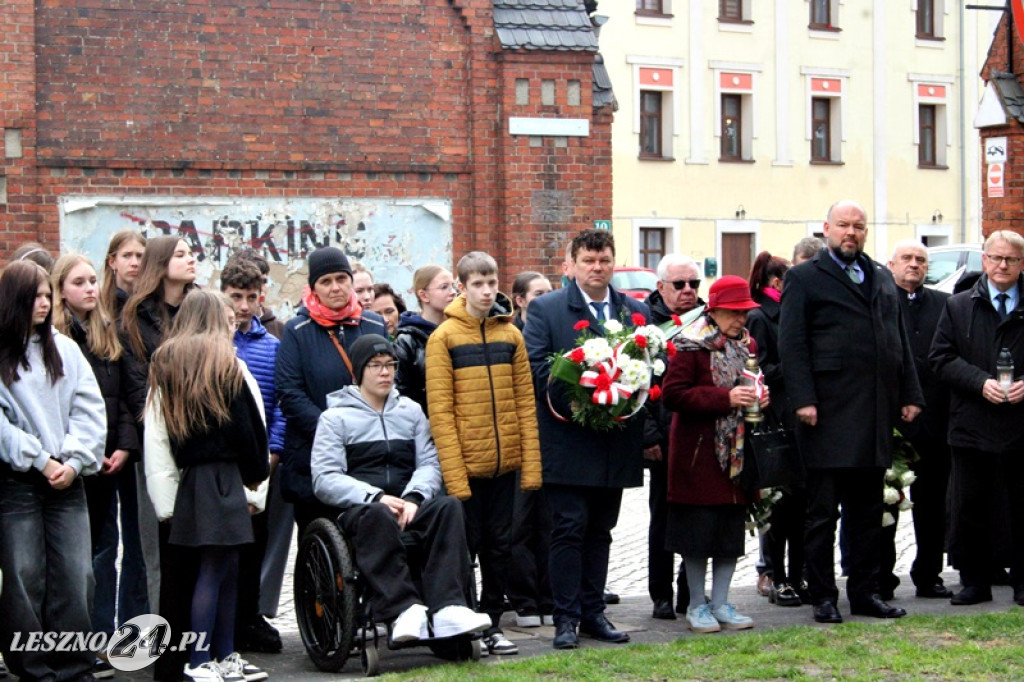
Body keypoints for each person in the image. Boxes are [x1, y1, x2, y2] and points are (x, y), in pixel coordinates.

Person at [779, 200, 923, 624]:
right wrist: (803, 398)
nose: (851, 233)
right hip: (825, 413)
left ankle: (865, 592)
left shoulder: (879, 275)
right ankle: (823, 595)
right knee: (822, 513)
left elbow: (899, 341)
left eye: (858, 226)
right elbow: (792, 343)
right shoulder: (804, 278)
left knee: (867, 512)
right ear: (826, 228)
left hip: (874, 411)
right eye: (843, 225)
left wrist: (910, 392)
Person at [311, 334, 493, 643]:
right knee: (377, 515)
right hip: (362, 511)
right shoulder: (334, 418)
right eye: (375, 366)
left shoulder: (410, 411)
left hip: (410, 506)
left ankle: (448, 607)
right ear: (357, 371)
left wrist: (413, 498)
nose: (385, 372)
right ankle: (402, 609)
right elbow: (325, 477)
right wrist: (377, 497)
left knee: (449, 507)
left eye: (390, 365)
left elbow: (430, 463)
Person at [523, 228, 648, 650]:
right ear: (571, 265)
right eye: (589, 261)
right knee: (568, 528)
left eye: (604, 260)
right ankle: (565, 618)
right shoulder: (546, 309)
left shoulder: (634, 312)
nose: (597, 268)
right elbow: (539, 368)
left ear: (614, 263)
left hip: (614, 441)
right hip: (567, 438)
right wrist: (586, 395)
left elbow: (649, 368)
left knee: (601, 530)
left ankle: (594, 612)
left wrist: (623, 394)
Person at [145, 290, 270, 682]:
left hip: (192, 480)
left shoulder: (167, 363)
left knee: (221, 567)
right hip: (224, 477)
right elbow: (248, 428)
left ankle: (220, 656)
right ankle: (202, 659)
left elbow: (159, 432)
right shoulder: (225, 364)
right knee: (218, 569)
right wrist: (255, 475)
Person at [426, 251, 542, 655]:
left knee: (501, 546)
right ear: (462, 287)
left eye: (491, 282)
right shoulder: (443, 338)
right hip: (467, 467)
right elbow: (440, 412)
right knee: (466, 547)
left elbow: (525, 402)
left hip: (505, 463)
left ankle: (492, 620)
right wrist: (454, 476)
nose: (486, 290)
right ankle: (467, 618)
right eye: (477, 283)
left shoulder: (511, 335)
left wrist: (530, 467)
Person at [0, 261, 106, 682]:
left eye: (48, 294)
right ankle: (33, 669)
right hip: (17, 481)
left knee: (77, 574)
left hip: (67, 479)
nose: (45, 303)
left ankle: (75, 666)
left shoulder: (65, 349)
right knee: (24, 577)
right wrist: (38, 459)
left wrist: (74, 460)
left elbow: (89, 408)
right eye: (36, 296)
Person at [52, 254, 146, 678]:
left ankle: (101, 638)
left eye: (93, 281)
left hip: (108, 459)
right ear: (61, 289)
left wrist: (124, 447)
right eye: (79, 282)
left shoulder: (106, 331)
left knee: (105, 550)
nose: (90, 288)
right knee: (72, 557)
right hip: (69, 461)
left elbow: (125, 397)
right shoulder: (54, 337)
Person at [662, 275, 766, 633]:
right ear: (715, 309)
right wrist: (725, 398)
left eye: (745, 312)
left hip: (736, 456)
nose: (742, 319)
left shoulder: (747, 346)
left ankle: (721, 602)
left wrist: (758, 397)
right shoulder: (690, 344)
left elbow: (751, 381)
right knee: (697, 537)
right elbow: (674, 395)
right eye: (735, 313)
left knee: (728, 534)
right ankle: (696, 604)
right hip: (699, 456)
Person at [930, 230, 1024, 607]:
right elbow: (940, 358)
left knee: (1021, 505)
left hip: (1020, 424)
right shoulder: (958, 305)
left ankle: (1022, 580)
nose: (1002, 266)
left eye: (1011, 259)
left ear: (1021, 264)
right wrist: (979, 382)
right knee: (970, 505)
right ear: (983, 260)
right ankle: (974, 581)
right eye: (996, 258)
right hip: (971, 421)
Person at [120, 236, 199, 682]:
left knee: (193, 554)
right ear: (161, 264)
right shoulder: (134, 317)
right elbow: (136, 386)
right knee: (157, 554)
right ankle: (163, 654)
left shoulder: (196, 308)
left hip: (198, 446)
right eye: (182, 254)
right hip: (154, 445)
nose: (191, 261)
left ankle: (194, 649)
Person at [275, 247, 388, 536]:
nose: (335, 287)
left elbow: (388, 380)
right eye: (326, 281)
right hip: (314, 455)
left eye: (341, 278)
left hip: (368, 453)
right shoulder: (297, 330)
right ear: (313, 287)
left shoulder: (373, 324)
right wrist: (331, 432)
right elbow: (290, 392)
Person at [220, 258, 288, 654]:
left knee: (255, 546)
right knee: (223, 547)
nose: (244, 306)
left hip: (261, 463)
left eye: (250, 297)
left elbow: (279, 405)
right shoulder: (216, 342)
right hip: (223, 461)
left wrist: (272, 454)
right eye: (236, 297)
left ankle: (249, 616)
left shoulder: (272, 346)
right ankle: (221, 622)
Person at [883, 241, 954, 600]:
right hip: (890, 422)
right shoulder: (879, 302)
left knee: (933, 505)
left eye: (921, 260)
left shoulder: (944, 305)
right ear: (891, 264)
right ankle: (883, 577)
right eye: (907, 259)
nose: (914, 265)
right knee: (887, 504)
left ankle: (929, 574)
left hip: (934, 422)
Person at [643, 253, 705, 619]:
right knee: (663, 519)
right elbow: (637, 384)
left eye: (693, 284)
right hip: (664, 437)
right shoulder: (645, 324)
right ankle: (661, 594)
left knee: (699, 517)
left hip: (700, 435)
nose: (687, 291)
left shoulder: (706, 321)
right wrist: (648, 435)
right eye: (679, 284)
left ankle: (690, 592)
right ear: (661, 286)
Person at [746, 252, 805, 607]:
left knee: (801, 505)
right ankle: (777, 575)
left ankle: (798, 576)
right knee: (779, 507)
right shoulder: (759, 317)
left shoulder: (793, 313)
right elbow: (759, 368)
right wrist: (797, 365)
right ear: (777, 283)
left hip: (800, 419)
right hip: (776, 420)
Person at [505, 271, 555, 627]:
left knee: (549, 522)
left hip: (549, 440)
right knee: (519, 523)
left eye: (549, 292)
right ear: (519, 301)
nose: (545, 299)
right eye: (538, 293)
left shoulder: (552, 333)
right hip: (518, 441)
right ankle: (523, 599)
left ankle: (549, 596)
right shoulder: (511, 337)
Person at [393, 265, 457, 415]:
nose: (453, 292)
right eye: (444, 287)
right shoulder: (407, 340)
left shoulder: (460, 331)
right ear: (423, 295)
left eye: (453, 286)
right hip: (423, 423)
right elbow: (401, 391)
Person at [101, 230, 147, 316]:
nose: (134, 263)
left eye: (140, 256)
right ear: (112, 262)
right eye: (127, 256)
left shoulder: (153, 306)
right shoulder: (100, 308)